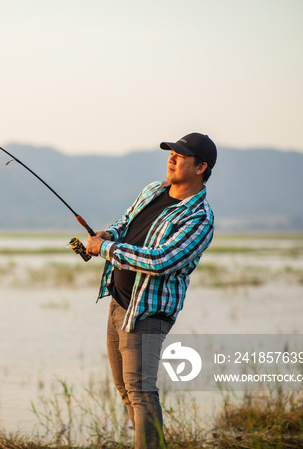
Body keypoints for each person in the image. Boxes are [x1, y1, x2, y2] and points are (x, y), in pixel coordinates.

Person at [85, 132, 217, 448]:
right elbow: (125, 225)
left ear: (201, 168)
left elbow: (161, 261)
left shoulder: (200, 218)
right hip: (119, 304)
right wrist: (108, 235)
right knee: (125, 389)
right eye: (171, 153)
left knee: (141, 391)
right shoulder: (153, 191)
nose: (171, 158)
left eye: (180, 155)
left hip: (148, 312)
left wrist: (106, 248)